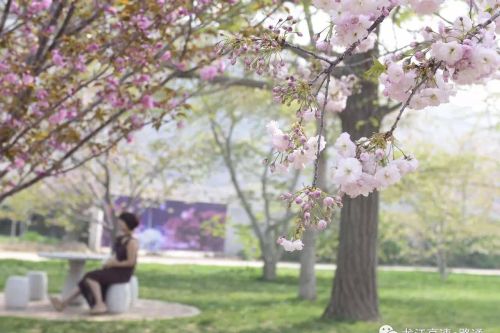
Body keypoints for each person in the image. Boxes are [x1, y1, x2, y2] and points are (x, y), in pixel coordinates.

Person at [50, 212, 140, 314]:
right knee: (85, 280)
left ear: (128, 223)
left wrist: (113, 264)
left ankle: (100, 304)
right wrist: (108, 263)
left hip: (123, 273)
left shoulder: (132, 242)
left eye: (121, 221)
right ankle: (63, 303)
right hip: (114, 269)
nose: (119, 223)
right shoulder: (120, 239)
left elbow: (131, 262)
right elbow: (116, 257)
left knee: (90, 277)